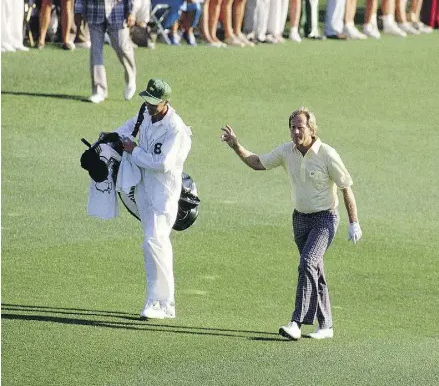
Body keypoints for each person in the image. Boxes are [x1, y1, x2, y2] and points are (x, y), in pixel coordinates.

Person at [221, 106, 362, 340]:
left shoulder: (327, 154)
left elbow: (345, 186)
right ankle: (326, 325)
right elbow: (258, 162)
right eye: (293, 127)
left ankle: (296, 322)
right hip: (300, 220)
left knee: (307, 262)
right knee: (314, 269)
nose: (296, 132)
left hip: (325, 219)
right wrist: (236, 145)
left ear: (311, 128)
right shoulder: (287, 151)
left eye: (301, 127)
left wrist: (353, 222)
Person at [114, 78, 192, 320]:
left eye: (153, 103)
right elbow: (127, 128)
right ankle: (161, 302)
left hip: (164, 193)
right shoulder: (146, 114)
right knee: (152, 244)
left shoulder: (175, 128)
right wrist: (111, 137)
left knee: (154, 242)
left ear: (165, 102)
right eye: (147, 101)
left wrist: (133, 150)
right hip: (143, 190)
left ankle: (161, 302)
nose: (148, 106)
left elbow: (163, 163)